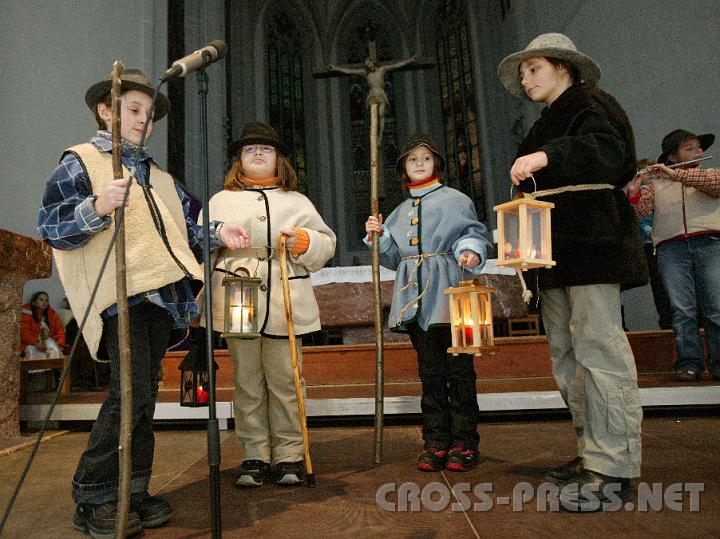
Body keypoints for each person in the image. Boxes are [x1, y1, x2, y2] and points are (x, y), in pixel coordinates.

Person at [37, 68, 249, 537]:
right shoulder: (81, 161)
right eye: (133, 111)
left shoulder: (158, 176)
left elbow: (181, 231)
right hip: (120, 294)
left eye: (149, 115)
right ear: (106, 110)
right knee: (127, 393)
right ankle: (93, 496)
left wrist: (218, 234)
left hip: (161, 294)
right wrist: (96, 207)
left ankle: (131, 488)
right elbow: (51, 226)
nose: (143, 121)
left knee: (144, 394)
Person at [498, 33, 647, 511]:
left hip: (593, 242)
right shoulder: (546, 121)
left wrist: (549, 157)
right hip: (554, 250)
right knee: (566, 355)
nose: (526, 77)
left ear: (564, 67)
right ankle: (591, 452)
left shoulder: (591, 103)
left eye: (534, 67)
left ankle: (614, 464)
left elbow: (609, 151)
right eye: (523, 72)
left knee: (600, 351)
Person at [203, 121, 336, 488]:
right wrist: (216, 236)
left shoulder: (297, 201)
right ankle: (255, 453)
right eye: (249, 149)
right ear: (238, 162)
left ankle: (290, 453)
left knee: (287, 380)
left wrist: (305, 241)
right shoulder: (220, 200)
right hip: (238, 293)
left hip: (283, 295)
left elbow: (327, 242)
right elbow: (197, 239)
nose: (258, 153)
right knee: (246, 379)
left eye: (266, 148)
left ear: (279, 159)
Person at [364, 133, 492, 473]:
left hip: (452, 296)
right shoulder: (399, 210)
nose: (419, 163)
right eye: (412, 159)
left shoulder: (456, 200)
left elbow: (474, 234)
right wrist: (380, 235)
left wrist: (469, 249)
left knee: (460, 372)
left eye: (425, 158)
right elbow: (391, 258)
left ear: (437, 163)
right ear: (403, 168)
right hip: (416, 303)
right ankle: (435, 441)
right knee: (430, 373)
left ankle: (464, 442)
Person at [630, 129, 720, 382]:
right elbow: (639, 213)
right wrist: (635, 190)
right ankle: (689, 363)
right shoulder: (657, 183)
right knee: (682, 309)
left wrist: (675, 174)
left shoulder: (708, 175)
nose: (699, 152)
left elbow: (716, 186)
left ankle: (719, 363)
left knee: (716, 308)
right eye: (690, 148)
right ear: (673, 155)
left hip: (710, 242)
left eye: (699, 148)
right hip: (671, 248)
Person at [624, 160, 672, 330]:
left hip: (661, 242)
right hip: (646, 244)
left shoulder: (663, 188)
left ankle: (668, 319)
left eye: (654, 172)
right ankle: (666, 320)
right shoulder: (637, 192)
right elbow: (638, 214)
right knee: (658, 284)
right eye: (647, 172)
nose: (651, 175)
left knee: (664, 285)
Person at [20, 291, 65, 358]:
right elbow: (23, 333)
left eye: (46, 300)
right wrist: (36, 343)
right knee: (31, 350)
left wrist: (59, 344)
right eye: (41, 300)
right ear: (34, 302)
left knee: (53, 348)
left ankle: (53, 366)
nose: (44, 302)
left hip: (47, 341)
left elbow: (60, 330)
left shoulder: (51, 314)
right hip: (31, 343)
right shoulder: (26, 312)